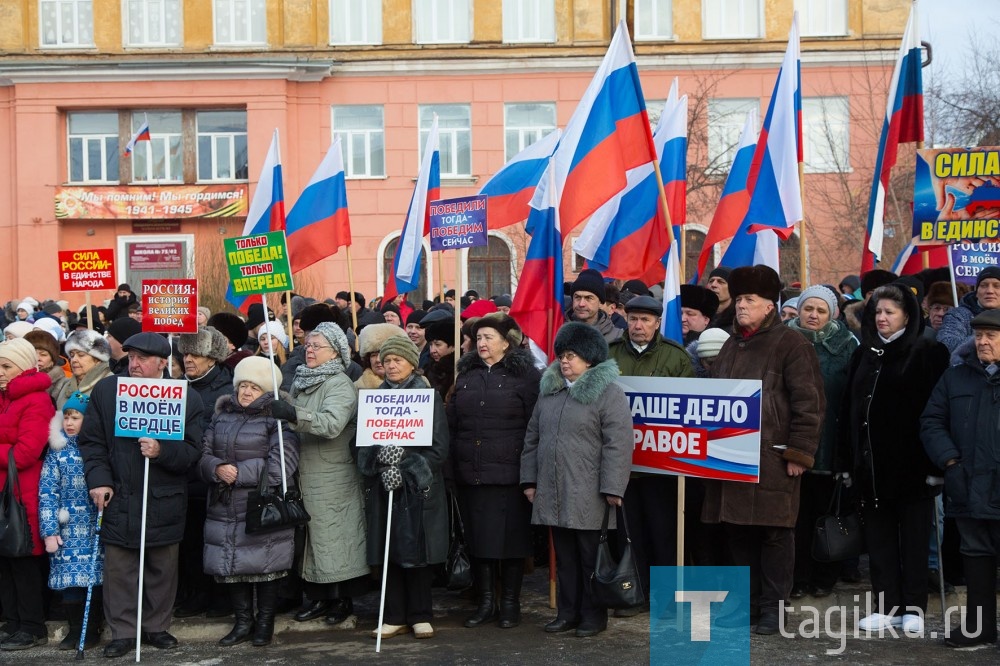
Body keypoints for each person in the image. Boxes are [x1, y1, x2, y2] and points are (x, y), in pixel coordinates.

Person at [701, 265, 825, 635]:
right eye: (738, 299)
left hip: (773, 457)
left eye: (749, 300)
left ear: (770, 306)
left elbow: (811, 403)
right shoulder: (729, 343)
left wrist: (799, 453)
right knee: (737, 533)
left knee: (775, 535)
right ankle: (746, 605)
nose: (740, 306)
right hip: (730, 457)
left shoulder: (792, 344)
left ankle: (773, 608)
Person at [78, 332, 204, 659]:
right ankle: (122, 632)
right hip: (118, 494)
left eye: (142, 359)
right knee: (120, 568)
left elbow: (192, 453)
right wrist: (99, 481)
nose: (134, 364)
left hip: (164, 499)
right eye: (131, 357)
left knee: (161, 567)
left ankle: (156, 627)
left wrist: (162, 451)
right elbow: (91, 443)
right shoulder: (107, 391)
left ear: (163, 362)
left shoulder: (186, 397)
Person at [842, 283, 948, 634]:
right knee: (879, 538)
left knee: (915, 539)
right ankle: (886, 605)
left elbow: (938, 412)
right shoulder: (865, 352)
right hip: (871, 465)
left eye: (890, 312)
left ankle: (914, 606)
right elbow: (850, 408)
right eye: (878, 312)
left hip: (913, 467)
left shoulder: (928, 351)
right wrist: (848, 461)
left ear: (907, 314)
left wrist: (935, 467)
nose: (882, 318)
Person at [521, 322, 633, 638]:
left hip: (590, 492)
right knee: (565, 559)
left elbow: (619, 442)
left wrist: (612, 487)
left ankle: (593, 616)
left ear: (590, 358)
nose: (564, 361)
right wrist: (529, 481)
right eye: (562, 355)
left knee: (591, 560)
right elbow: (532, 437)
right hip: (553, 490)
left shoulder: (609, 394)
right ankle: (567, 613)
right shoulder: (550, 392)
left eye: (571, 355)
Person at [270, 322, 369, 627]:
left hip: (332, 475)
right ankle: (318, 598)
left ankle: (340, 600)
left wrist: (293, 414)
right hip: (305, 471)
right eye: (308, 346)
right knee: (313, 541)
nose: (309, 351)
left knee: (336, 539)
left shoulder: (338, 383)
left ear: (335, 352)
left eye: (317, 347)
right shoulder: (302, 379)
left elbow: (332, 424)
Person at [198, 357, 299, 647]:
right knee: (231, 565)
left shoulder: (278, 420)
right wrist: (216, 468)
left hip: (260, 503)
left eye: (253, 387)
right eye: (242, 385)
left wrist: (238, 473)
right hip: (224, 504)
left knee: (265, 567)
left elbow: (282, 464)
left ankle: (264, 624)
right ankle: (243, 623)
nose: (245, 392)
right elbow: (203, 454)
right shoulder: (220, 417)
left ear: (266, 391)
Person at [448, 314, 540, 629]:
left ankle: (510, 604)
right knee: (478, 541)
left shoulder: (526, 377)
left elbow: (534, 428)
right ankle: (486, 602)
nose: (482, 343)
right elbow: (453, 422)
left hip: (511, 475)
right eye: (479, 338)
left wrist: (532, 473)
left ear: (506, 341)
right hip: (471, 472)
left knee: (511, 543)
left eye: (488, 337)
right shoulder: (466, 375)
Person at [358, 336, 449, 640]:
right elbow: (361, 445)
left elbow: (438, 448)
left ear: (412, 362)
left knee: (417, 551)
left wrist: (407, 466)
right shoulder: (373, 398)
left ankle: (421, 614)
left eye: (398, 359)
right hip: (384, 488)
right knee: (388, 550)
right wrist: (378, 460)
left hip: (417, 489)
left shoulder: (428, 396)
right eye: (387, 360)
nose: (391, 365)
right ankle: (393, 615)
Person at [607, 295, 693, 612]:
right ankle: (634, 594)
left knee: (664, 533)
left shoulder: (676, 357)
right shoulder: (609, 354)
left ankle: (667, 598)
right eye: (633, 319)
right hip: (622, 464)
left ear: (657, 323)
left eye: (645, 320)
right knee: (629, 535)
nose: (638, 326)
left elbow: (689, 408)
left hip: (662, 466)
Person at [921, 308, 1000, 647]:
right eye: (979, 335)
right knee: (975, 556)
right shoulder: (955, 376)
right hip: (966, 484)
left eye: (991, 336)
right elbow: (932, 421)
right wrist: (949, 460)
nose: (983, 342)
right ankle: (978, 628)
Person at [784, 285, 858, 600]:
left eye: (821, 310)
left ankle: (824, 576)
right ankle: (797, 577)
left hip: (831, 441)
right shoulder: (783, 340)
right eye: (808, 308)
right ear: (799, 310)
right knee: (794, 518)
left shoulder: (847, 344)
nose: (813, 315)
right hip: (790, 443)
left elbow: (853, 396)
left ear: (832, 314)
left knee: (826, 515)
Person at [174, 327, 234, 619]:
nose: (188, 359)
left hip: (213, 479)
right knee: (190, 542)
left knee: (216, 541)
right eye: (185, 353)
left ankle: (219, 597)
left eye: (195, 353)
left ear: (212, 358)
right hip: (183, 478)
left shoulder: (228, 388)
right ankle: (194, 593)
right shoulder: (176, 387)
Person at [0, 338, 56, 651]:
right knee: (4, 563)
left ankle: (32, 626)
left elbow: (25, 453)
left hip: (23, 495)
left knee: (22, 562)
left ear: (23, 366)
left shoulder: (37, 401)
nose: (1, 372)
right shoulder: (3, 398)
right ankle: (12, 622)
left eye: (6, 366)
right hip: (3, 492)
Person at [39, 391, 104, 650]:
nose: (69, 423)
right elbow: (47, 491)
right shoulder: (57, 451)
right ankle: (75, 628)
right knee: (69, 584)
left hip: (92, 526)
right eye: (66, 417)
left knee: (92, 579)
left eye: (75, 417)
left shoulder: (97, 449)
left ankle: (91, 629)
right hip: (67, 528)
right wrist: (49, 530)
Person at [937, 267, 1000, 353]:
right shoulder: (958, 315)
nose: (990, 291)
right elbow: (947, 344)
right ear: (976, 292)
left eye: (997, 286)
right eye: (983, 285)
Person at [58, 329, 114, 409]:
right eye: (72, 355)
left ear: (97, 360)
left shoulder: (110, 384)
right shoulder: (65, 385)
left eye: (81, 355)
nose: (74, 360)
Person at [565, 269, 623, 343]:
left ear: (600, 303)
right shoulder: (557, 331)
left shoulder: (618, 338)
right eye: (577, 297)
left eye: (588, 298)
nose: (581, 304)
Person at [355, 323, 408, 390]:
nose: (378, 360)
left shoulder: (418, 382)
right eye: (373, 355)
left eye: (383, 354)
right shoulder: (358, 387)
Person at [24, 329, 68, 403]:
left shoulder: (65, 384)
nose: (37, 359)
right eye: (32, 353)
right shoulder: (9, 383)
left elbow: (82, 399)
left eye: (43, 355)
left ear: (52, 360)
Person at [423, 317, 456, 400]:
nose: (432, 350)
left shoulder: (460, 372)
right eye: (430, 345)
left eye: (438, 345)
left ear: (453, 347)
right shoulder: (427, 369)